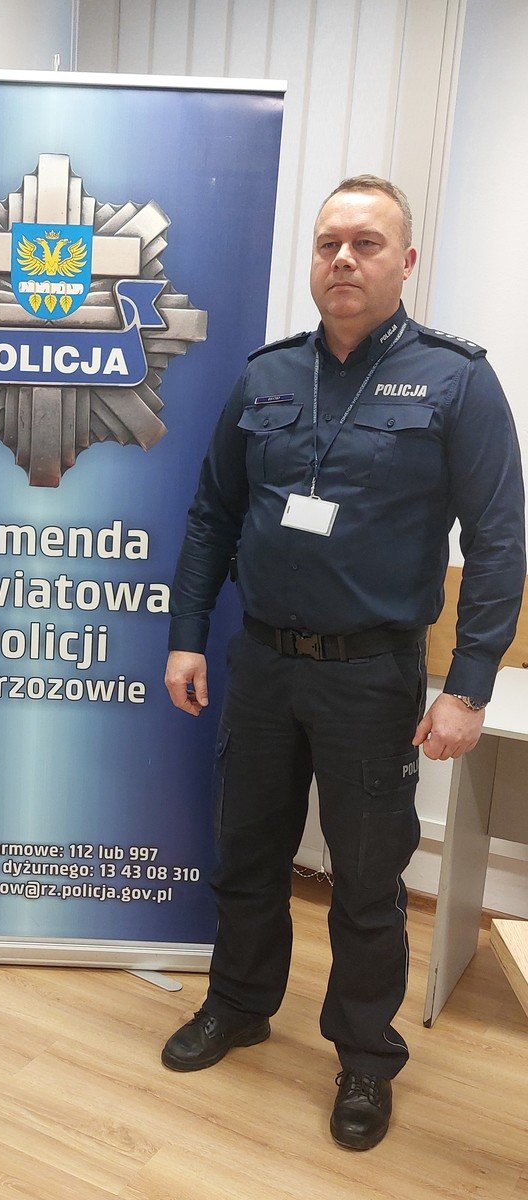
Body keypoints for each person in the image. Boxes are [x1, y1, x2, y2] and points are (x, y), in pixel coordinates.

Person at [162, 175, 525, 1150]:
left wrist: (469, 686)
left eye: (366, 243)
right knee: (248, 856)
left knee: (367, 881)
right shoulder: (268, 376)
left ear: (406, 262)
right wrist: (188, 633)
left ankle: (365, 1057)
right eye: (329, 244)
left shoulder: (456, 381)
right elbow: (212, 514)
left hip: (373, 677)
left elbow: (499, 542)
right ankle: (239, 1004)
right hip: (264, 665)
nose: (344, 260)